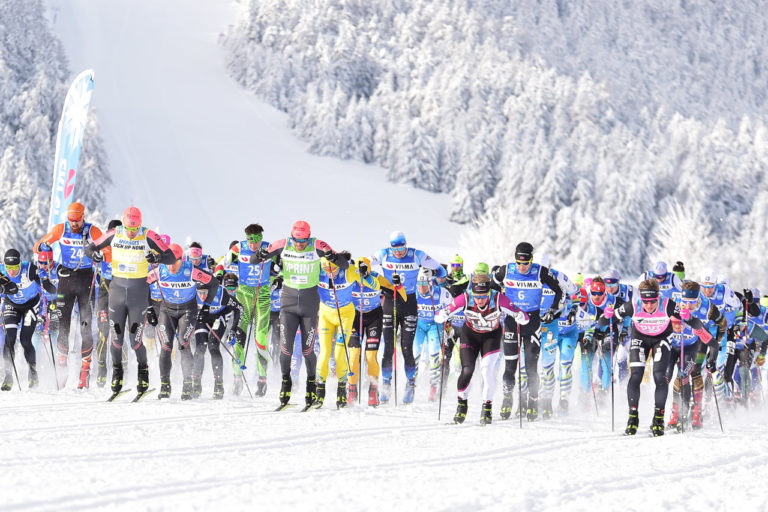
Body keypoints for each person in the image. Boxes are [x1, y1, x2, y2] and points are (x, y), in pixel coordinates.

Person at [251, 220, 345, 409]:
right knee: (285, 349)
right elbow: (254, 260)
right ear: (291, 236)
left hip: (310, 304)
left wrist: (333, 257)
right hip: (289, 304)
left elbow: (343, 264)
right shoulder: (282, 244)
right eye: (296, 240)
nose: (300, 244)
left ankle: (311, 385)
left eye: (303, 240)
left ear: (309, 237)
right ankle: (286, 384)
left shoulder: (318, 245)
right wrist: (260, 254)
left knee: (307, 350)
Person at [85, 206, 175, 397]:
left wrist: (157, 256)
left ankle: (143, 371)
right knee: (116, 339)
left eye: (135, 229)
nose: (132, 233)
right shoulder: (114, 233)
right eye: (129, 229)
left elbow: (171, 256)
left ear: (140, 225)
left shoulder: (148, 235)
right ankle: (117, 371)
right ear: (124, 223)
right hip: (116, 292)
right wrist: (95, 255)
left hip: (138, 293)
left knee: (135, 340)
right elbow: (90, 247)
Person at [602, 279, 711, 436]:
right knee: (636, 376)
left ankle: (658, 419)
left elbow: (694, 323)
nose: (649, 305)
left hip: (661, 339)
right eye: (645, 301)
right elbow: (604, 321)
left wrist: (689, 318)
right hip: (640, 338)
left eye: (652, 301)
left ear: (658, 297)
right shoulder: (633, 305)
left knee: (660, 377)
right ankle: (633, 418)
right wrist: (607, 316)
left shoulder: (667, 304)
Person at [435, 274, 529, 424]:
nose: (480, 300)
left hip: (491, 337)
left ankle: (487, 408)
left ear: (489, 292)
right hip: (470, 335)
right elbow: (441, 313)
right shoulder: (465, 298)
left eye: (484, 296)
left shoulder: (499, 299)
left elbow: (522, 314)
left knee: (486, 371)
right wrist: (443, 315)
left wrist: (520, 317)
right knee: (467, 370)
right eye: (477, 296)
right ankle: (462, 405)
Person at [33, 202, 108, 388]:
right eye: (71, 220)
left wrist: (101, 255)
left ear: (84, 216)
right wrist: (44, 248)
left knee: (85, 326)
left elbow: (109, 252)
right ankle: (62, 369)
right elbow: (37, 247)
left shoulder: (93, 232)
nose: (74, 223)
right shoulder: (61, 229)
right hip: (65, 278)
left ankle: (85, 372)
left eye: (77, 220)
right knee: (63, 325)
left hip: (85, 280)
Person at [371, 231, 447, 403]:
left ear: (406, 244)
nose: (398, 252)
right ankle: (386, 384)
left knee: (407, 348)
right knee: (388, 348)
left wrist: (439, 276)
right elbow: (367, 264)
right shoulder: (383, 254)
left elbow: (440, 269)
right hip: (390, 302)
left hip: (409, 304)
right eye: (395, 248)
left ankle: (410, 384)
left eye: (401, 248)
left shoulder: (416, 255)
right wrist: (363, 268)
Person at [492, 241, 562, 421]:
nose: (522, 267)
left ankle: (533, 401)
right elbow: (492, 286)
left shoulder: (540, 272)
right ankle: (508, 399)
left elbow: (558, 291)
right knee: (510, 367)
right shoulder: (506, 270)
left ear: (531, 259)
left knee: (531, 367)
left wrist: (553, 310)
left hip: (532, 322)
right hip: (511, 321)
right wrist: (497, 303)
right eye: (519, 262)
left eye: (526, 263)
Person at [147, 243, 218, 399]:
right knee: (166, 346)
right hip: (167, 310)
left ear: (182, 259)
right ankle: (165, 385)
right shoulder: (159, 271)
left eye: (176, 261)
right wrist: (149, 308)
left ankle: (187, 385)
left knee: (183, 343)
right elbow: (143, 285)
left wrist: (206, 307)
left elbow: (214, 283)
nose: (172, 266)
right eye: (169, 262)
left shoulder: (190, 270)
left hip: (187, 310)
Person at [216, 224, 274, 396]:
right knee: (239, 337)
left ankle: (262, 380)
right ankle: (237, 377)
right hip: (243, 296)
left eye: (256, 242)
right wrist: (219, 275)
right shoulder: (238, 248)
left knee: (260, 339)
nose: (253, 246)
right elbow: (221, 265)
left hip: (263, 295)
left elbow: (284, 268)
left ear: (261, 239)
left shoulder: (269, 248)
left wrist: (277, 279)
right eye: (250, 242)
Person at [667, 280, 725, 430]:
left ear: (698, 298)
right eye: (685, 301)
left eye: (692, 302)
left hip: (701, 340)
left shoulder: (708, 307)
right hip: (681, 341)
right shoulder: (676, 304)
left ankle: (696, 413)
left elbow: (722, 323)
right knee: (681, 375)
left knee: (696, 372)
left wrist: (716, 340)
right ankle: (676, 412)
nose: (688, 305)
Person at [315, 253, 368, 408]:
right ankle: (319, 391)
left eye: (334, 270)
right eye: (326, 270)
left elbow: (373, 283)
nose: (330, 273)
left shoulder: (349, 271)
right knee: (324, 354)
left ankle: (341, 390)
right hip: (326, 314)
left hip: (345, 315)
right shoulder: (317, 270)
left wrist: (365, 272)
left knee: (339, 354)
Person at [348, 256, 402, 406]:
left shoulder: (376, 278)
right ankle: (352, 389)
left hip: (374, 318)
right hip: (355, 317)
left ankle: (373, 389)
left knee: (370, 357)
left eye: (367, 273)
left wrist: (397, 284)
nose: (364, 277)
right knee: (353, 357)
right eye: (362, 274)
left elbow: (396, 291)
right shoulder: (350, 278)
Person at [0, 249, 56, 390]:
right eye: (9, 268)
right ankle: (8, 375)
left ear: (20, 264)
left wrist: (44, 279)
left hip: (30, 305)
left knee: (25, 340)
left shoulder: (29, 269)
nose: (12, 271)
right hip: (11, 305)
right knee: (9, 338)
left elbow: (52, 290)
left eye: (15, 267)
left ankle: (32, 372)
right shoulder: (1, 271)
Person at [537, 254, 578, 418]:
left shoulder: (560, 277)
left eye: (544, 271)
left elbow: (577, 293)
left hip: (566, 329)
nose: (540, 275)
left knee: (565, 363)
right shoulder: (530, 276)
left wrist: (574, 309)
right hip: (545, 328)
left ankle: (564, 400)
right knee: (546, 365)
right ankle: (545, 399)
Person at [193, 272, 243, 399]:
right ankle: (196, 382)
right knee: (200, 348)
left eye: (205, 293)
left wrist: (233, 330)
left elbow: (239, 309)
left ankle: (218, 384)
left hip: (218, 318)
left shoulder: (221, 294)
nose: (202, 296)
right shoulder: (192, 293)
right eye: (200, 293)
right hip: (203, 319)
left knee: (213, 347)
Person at [412, 267, 452, 402]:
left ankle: (433, 387)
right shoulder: (413, 291)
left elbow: (452, 308)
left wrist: (448, 326)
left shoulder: (442, 293)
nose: (421, 288)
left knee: (434, 353)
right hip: (419, 325)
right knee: (415, 352)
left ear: (430, 282)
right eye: (419, 284)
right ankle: (410, 383)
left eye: (424, 284)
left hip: (435, 325)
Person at [94, 219, 122, 387]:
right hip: (105, 290)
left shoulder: (127, 247)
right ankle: (102, 367)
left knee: (118, 331)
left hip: (121, 290)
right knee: (103, 332)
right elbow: (89, 251)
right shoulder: (103, 243)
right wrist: (94, 256)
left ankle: (121, 367)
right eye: (111, 233)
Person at [442, 255, 470, 390]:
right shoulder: (446, 280)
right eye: (453, 265)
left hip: (465, 325)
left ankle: (464, 386)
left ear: (462, 265)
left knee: (464, 359)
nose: (455, 268)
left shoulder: (466, 279)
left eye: (458, 266)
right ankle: (443, 386)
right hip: (451, 324)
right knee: (446, 356)